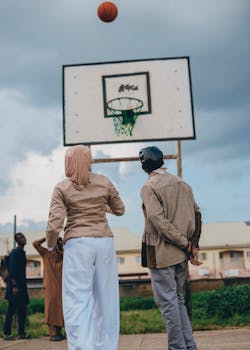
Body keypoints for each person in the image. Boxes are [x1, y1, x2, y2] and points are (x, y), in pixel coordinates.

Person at [45, 145, 125, 350]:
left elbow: (55, 223)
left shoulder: (62, 187)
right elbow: (120, 209)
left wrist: (51, 244)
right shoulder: (104, 182)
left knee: (78, 300)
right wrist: (99, 206)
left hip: (78, 244)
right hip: (104, 242)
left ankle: (82, 347)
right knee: (106, 299)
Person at [139, 146, 202, 350]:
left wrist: (186, 243)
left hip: (161, 253)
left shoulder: (149, 187)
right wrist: (193, 245)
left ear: (144, 166)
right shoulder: (182, 183)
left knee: (168, 304)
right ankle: (188, 346)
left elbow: (160, 223)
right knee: (177, 300)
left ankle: (177, 347)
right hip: (182, 254)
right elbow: (197, 215)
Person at [32, 237, 65, 341]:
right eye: (54, 244)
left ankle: (59, 332)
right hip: (50, 285)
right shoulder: (45, 253)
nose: (55, 246)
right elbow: (35, 243)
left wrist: (61, 245)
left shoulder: (63, 256)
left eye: (57, 245)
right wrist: (48, 237)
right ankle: (53, 333)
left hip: (62, 286)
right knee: (51, 308)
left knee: (60, 308)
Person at [3, 232, 30, 340]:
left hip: (22, 286)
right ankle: (6, 333)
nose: (23, 238)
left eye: (23, 236)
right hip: (15, 286)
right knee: (12, 309)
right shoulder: (15, 253)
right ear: (17, 241)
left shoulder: (22, 252)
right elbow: (12, 270)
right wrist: (14, 286)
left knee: (22, 310)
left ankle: (21, 333)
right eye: (20, 238)